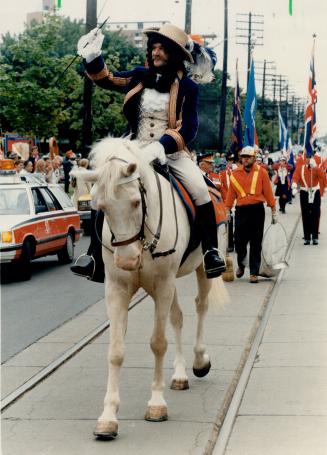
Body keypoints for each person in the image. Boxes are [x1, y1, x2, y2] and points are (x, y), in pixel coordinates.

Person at [71, 23, 226, 282]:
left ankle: (211, 251)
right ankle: (95, 255)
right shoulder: (138, 76)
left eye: (162, 48)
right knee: (101, 191)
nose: (156, 52)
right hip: (133, 149)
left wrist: (162, 146)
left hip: (171, 153)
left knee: (200, 190)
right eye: (153, 47)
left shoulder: (188, 87)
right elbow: (105, 78)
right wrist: (92, 57)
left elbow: (189, 128)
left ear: (174, 54)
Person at [225, 146, 277, 283]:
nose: (245, 159)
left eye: (248, 157)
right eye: (243, 157)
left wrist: (273, 210)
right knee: (239, 241)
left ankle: (254, 272)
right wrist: (227, 209)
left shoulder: (262, 172)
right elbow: (231, 194)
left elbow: (268, 192)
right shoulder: (235, 173)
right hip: (241, 211)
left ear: (254, 158)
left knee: (256, 241)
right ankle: (241, 264)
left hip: (257, 210)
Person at [292, 155, 325, 245]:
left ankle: (315, 237)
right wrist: (294, 185)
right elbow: (295, 177)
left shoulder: (315, 167)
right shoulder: (300, 168)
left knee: (315, 213)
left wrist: (316, 168)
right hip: (304, 192)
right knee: (305, 214)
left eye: (310, 158)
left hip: (315, 192)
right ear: (304, 158)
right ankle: (307, 237)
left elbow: (322, 176)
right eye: (306, 158)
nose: (308, 160)